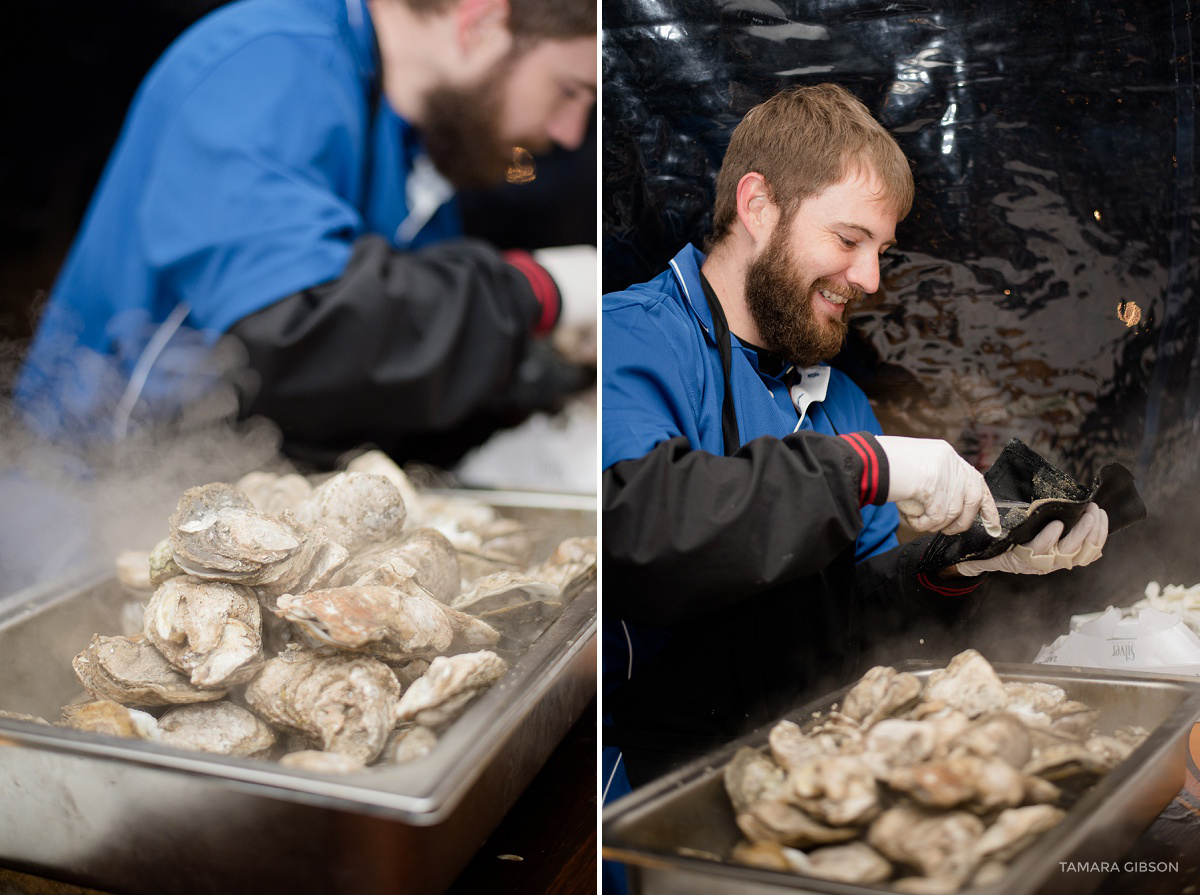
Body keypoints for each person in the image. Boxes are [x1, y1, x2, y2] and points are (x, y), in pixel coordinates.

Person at [600, 83, 1109, 856]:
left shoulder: (840, 400)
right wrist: (862, 466)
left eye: (882, 250)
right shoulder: (632, 343)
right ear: (758, 204)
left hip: (806, 801)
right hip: (640, 809)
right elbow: (641, 524)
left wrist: (966, 563)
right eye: (848, 238)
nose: (871, 278)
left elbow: (862, 620)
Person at [14, 0, 597, 468]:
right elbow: (293, 328)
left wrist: (522, 376)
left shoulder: (409, 143)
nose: (572, 133)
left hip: (231, 499)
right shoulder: (271, 58)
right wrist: (543, 288)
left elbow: (377, 364)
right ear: (484, 21)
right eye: (571, 90)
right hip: (92, 498)